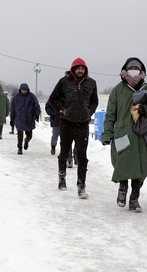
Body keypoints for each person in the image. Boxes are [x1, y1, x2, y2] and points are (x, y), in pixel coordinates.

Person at [101, 57, 147, 212]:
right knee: (123, 164)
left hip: (142, 135)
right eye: (131, 67)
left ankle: (134, 198)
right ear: (125, 70)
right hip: (122, 134)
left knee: (141, 167)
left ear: (141, 71)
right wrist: (107, 134)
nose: (133, 70)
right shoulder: (118, 90)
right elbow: (110, 115)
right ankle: (122, 188)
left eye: (136, 68)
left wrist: (145, 111)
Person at [46, 58, 98, 198]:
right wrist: (62, 110)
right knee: (64, 153)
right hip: (67, 123)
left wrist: (89, 112)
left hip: (83, 125)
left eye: (83, 68)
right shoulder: (64, 82)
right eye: (78, 68)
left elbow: (94, 101)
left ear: (85, 70)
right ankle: (62, 177)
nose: (80, 70)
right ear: (73, 69)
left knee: (82, 157)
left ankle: (81, 186)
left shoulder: (91, 83)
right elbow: (52, 99)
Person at [9, 83, 41, 155]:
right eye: (23, 90)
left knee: (29, 135)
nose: (24, 91)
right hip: (19, 118)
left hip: (29, 118)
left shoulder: (32, 96)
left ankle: (26, 141)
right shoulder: (16, 97)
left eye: (25, 90)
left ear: (27, 89)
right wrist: (12, 119)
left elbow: (36, 106)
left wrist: (37, 114)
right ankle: (19, 148)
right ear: (20, 89)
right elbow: (13, 109)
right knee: (19, 134)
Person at [45, 99, 75, 167]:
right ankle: (53, 146)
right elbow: (48, 107)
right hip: (56, 121)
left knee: (67, 140)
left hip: (66, 121)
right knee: (55, 135)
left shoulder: (69, 95)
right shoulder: (53, 97)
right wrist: (53, 113)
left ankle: (69, 159)